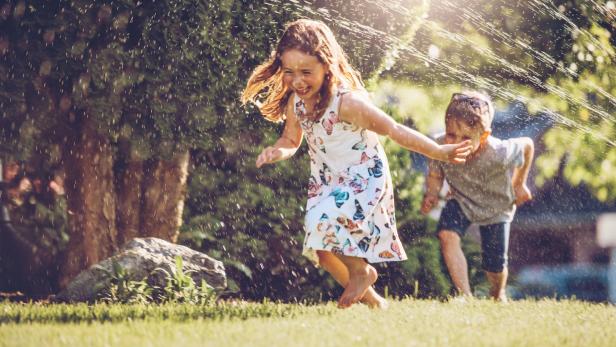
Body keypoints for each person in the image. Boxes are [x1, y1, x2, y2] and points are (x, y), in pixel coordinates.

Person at [242, 19, 472, 309]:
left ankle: (362, 271)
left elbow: (393, 129)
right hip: (327, 181)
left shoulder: (347, 103)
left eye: (306, 72)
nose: (297, 81)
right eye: (289, 72)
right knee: (322, 252)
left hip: (363, 177)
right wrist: (277, 151)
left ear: (327, 66)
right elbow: (290, 139)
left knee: (321, 224)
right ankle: (375, 302)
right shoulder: (297, 104)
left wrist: (438, 150)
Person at [421, 91, 535, 302]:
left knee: (494, 264)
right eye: (451, 134)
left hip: (496, 207)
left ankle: (497, 293)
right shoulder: (440, 147)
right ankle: (465, 296)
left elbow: (528, 144)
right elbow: (436, 173)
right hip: (461, 200)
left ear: (483, 137)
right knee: (447, 235)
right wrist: (432, 192)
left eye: (465, 138)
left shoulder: (500, 152)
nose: (456, 143)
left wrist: (519, 184)